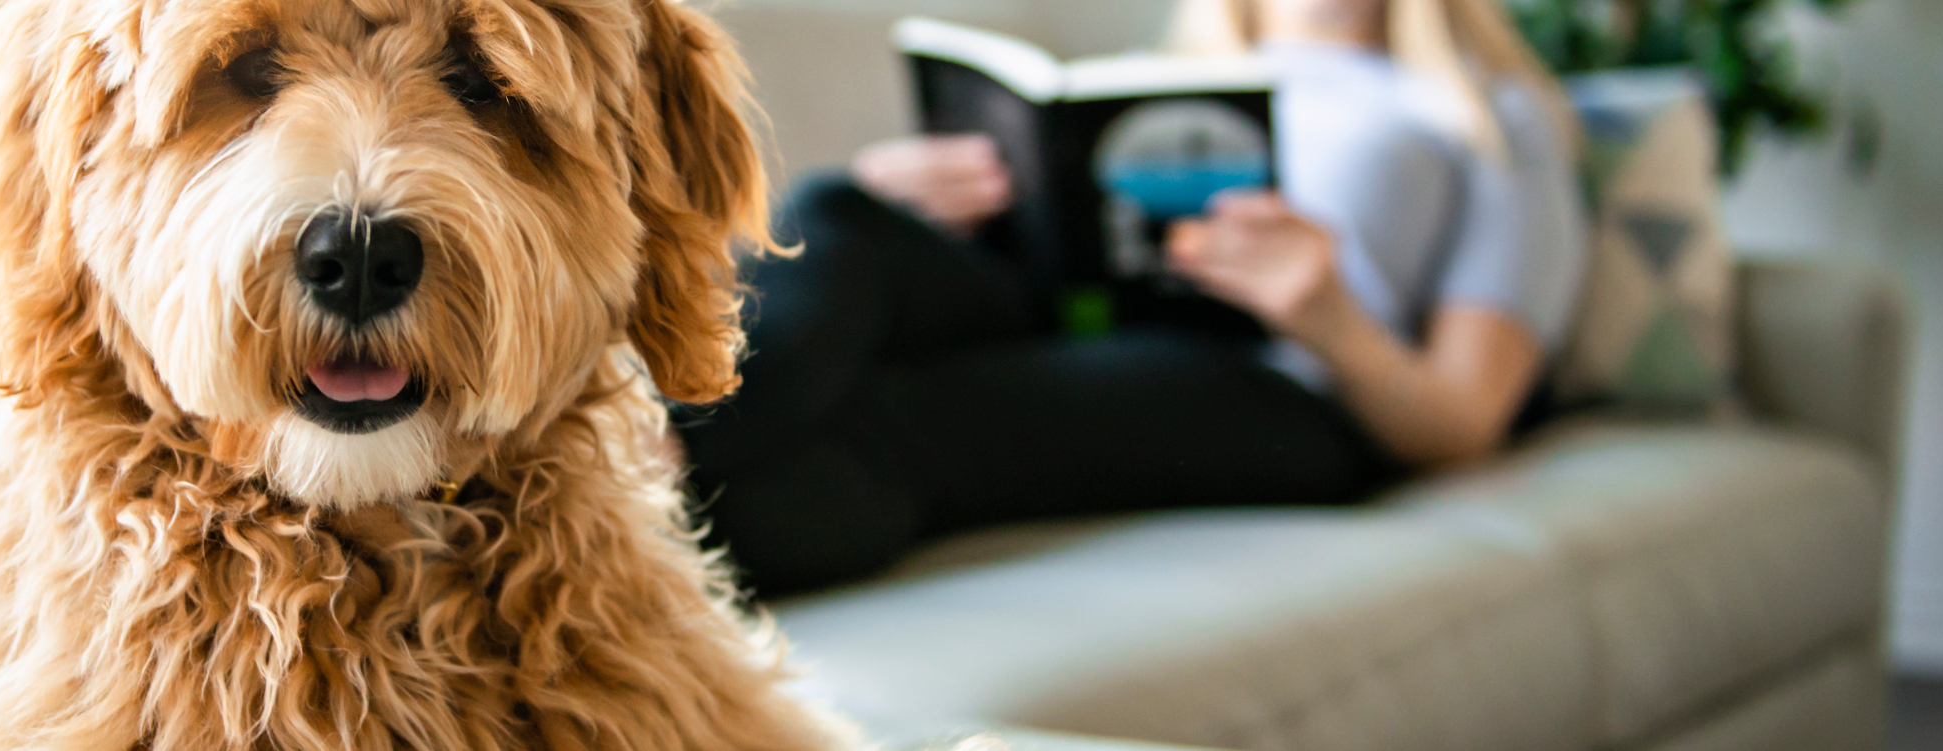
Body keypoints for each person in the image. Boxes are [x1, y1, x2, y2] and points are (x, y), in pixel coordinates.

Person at [680, 0, 1588, 596]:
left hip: (1282, 384)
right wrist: (927, 208)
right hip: (1071, 311)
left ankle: (597, 515)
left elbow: (1466, 418)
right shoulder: (1158, 73)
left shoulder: (1489, 115)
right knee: (841, 215)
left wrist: (1330, 317)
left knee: (904, 423)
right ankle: (628, 461)